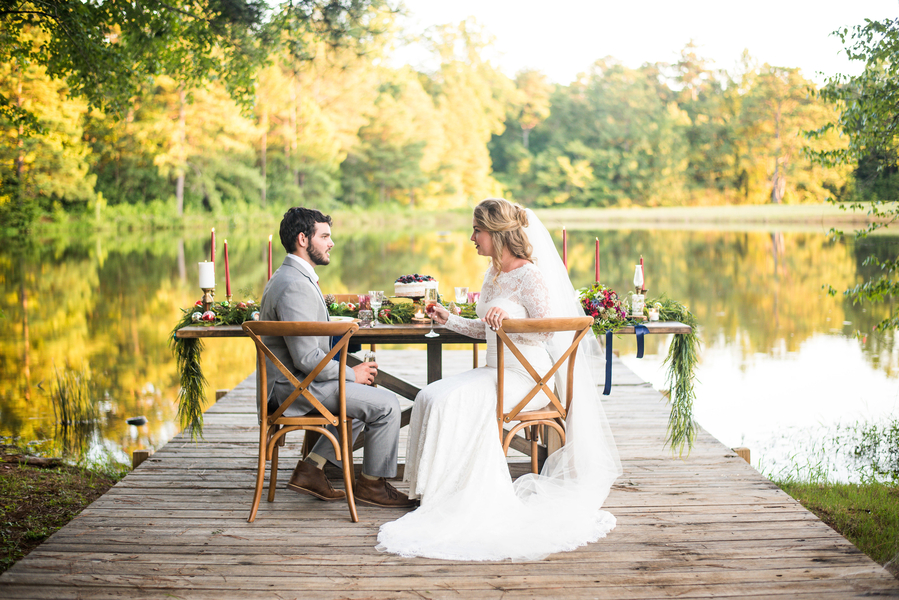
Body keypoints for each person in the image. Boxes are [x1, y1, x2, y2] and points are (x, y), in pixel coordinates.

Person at [377, 198, 622, 560]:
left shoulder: (530, 275)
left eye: (477, 230)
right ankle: (435, 495)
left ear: (495, 232)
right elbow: (483, 331)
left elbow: (545, 332)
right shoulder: (493, 274)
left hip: (529, 378)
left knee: (453, 400)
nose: (472, 237)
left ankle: (463, 499)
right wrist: (448, 319)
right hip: (496, 371)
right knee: (431, 394)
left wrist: (507, 320)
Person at [259, 207, 415, 508]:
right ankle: (372, 485)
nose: (331, 243)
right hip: (294, 389)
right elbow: (306, 358)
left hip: (296, 382)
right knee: (386, 405)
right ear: (303, 239)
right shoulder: (294, 285)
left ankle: (311, 469)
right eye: (325, 236)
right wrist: (350, 375)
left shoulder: (290, 276)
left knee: (364, 398)